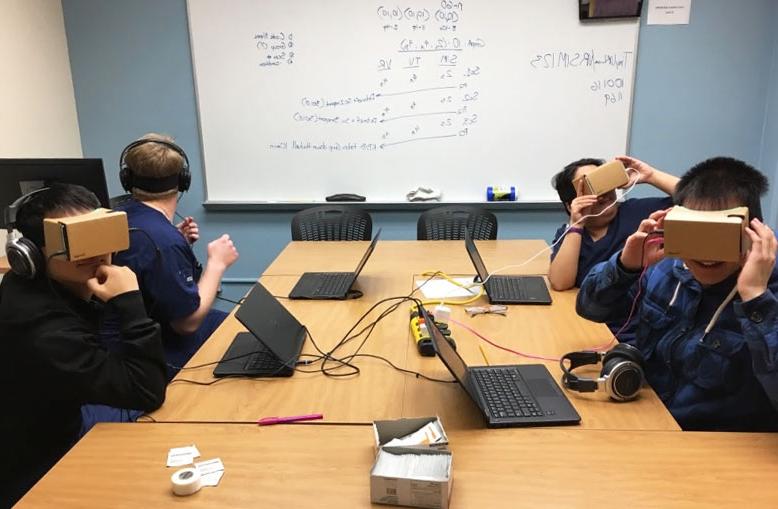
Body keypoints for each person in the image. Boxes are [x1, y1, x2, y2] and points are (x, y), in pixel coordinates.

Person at [576, 156, 778, 431]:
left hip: (716, 447)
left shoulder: (767, 292)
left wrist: (755, 297)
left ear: (754, 232)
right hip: (647, 419)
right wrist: (626, 266)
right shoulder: (666, 267)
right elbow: (590, 309)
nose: (706, 254)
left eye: (720, 235)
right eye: (695, 232)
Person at [0, 184, 167, 506]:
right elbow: (146, 390)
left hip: (57, 414)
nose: (94, 251)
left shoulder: (36, 287)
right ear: (30, 254)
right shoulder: (44, 330)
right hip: (36, 463)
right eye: (73, 241)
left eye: (97, 232)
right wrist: (130, 301)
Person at [112, 133, 239, 378]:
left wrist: (179, 244)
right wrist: (217, 263)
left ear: (126, 179)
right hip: (160, 353)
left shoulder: (121, 218)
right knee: (241, 337)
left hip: (125, 342)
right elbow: (186, 324)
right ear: (183, 181)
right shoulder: (164, 241)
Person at [549, 156, 679, 292]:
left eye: (603, 181)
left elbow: (698, 203)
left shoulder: (636, 210)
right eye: (589, 187)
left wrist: (652, 176)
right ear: (571, 205)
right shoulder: (570, 234)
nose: (603, 193)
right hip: (593, 307)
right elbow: (560, 283)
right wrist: (577, 225)